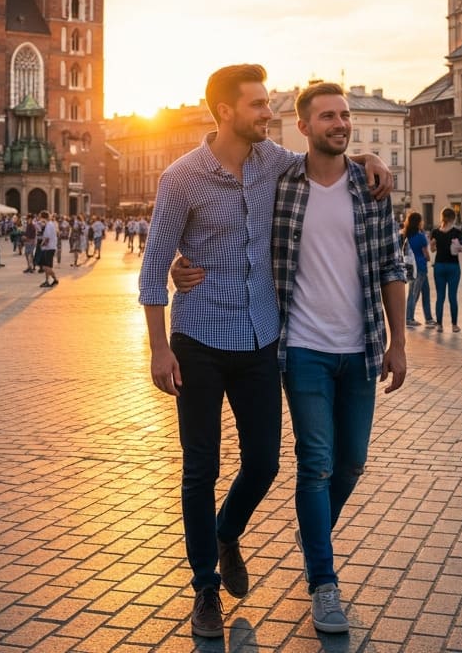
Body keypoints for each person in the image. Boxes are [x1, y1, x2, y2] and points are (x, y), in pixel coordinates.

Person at [139, 63, 391, 639]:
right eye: (257, 105)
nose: (268, 113)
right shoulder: (181, 178)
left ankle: (227, 532)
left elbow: (327, 162)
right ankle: (205, 588)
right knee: (199, 468)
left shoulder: (274, 164)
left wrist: (370, 163)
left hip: (260, 338)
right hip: (197, 338)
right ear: (226, 112)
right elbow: (155, 269)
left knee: (266, 463)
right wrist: (159, 350)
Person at [271, 83, 407, 633]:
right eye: (328, 115)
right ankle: (323, 583)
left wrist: (399, 341)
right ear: (303, 126)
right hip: (302, 348)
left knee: (351, 463)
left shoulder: (369, 186)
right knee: (317, 463)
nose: (341, 123)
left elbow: (393, 267)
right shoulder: (280, 184)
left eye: (346, 115)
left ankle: (314, 528)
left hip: (361, 347)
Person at [430, 207, 462, 332]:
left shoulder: (435, 232)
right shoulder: (457, 232)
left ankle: (439, 325)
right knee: (452, 296)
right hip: (453, 266)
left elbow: (433, 248)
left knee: (440, 296)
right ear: (453, 218)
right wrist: (457, 247)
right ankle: (454, 325)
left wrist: (435, 244)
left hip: (439, 266)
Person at [401, 211, 434, 328]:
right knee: (413, 294)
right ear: (419, 222)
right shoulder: (421, 236)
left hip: (411, 267)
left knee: (425, 292)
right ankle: (409, 318)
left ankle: (429, 318)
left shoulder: (407, 235)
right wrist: (430, 260)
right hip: (420, 268)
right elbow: (426, 254)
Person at [37, 211, 59, 288]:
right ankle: (47, 281)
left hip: (49, 248)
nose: (39, 218)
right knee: (45, 266)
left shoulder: (49, 225)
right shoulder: (48, 225)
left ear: (43, 217)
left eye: (40, 217)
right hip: (47, 248)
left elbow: (47, 239)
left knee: (46, 267)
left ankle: (55, 279)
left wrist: (41, 245)